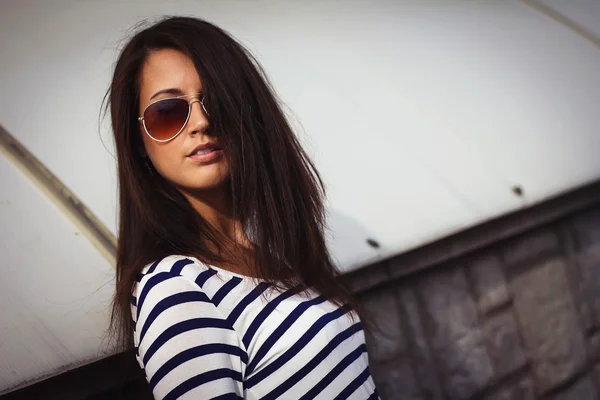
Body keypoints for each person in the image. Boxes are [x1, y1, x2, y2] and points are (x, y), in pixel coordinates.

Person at [103, 16, 380, 400]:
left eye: (217, 100)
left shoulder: (275, 253)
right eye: (167, 111)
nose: (201, 121)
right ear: (138, 143)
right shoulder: (175, 290)